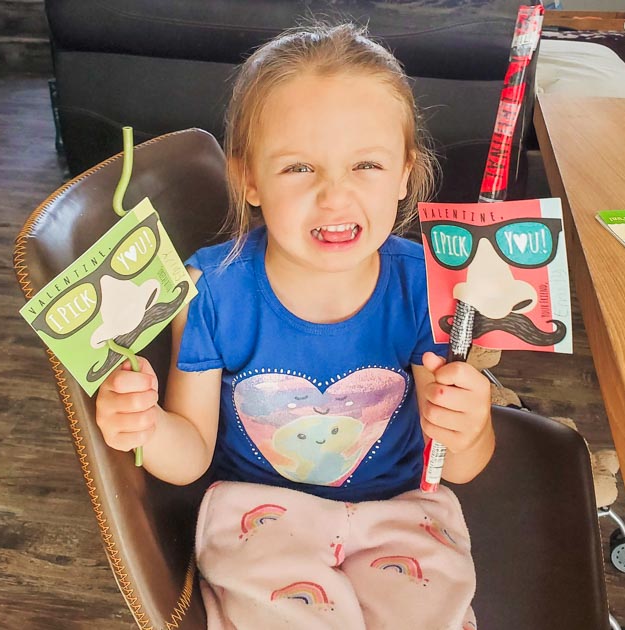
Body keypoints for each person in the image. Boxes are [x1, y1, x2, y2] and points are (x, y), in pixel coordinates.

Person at [96, 22, 494, 629]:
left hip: (402, 512)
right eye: (298, 168)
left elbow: (460, 467)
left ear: (407, 173)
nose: (335, 196)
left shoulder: (427, 287)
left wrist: (470, 424)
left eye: (366, 164)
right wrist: (144, 426)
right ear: (248, 178)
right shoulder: (211, 292)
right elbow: (192, 456)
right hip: (262, 517)